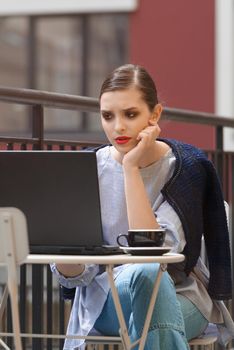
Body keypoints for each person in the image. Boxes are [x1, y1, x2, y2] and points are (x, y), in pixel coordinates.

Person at [51, 64, 234, 350]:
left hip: (182, 294)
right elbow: (75, 276)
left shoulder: (187, 167)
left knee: (150, 277)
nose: (118, 127)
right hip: (107, 300)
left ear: (155, 114)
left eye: (131, 114)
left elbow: (154, 256)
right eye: (107, 116)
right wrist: (62, 250)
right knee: (150, 299)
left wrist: (131, 169)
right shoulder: (87, 170)